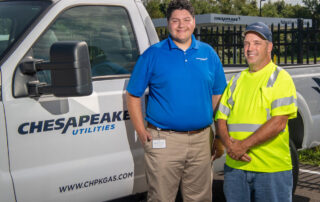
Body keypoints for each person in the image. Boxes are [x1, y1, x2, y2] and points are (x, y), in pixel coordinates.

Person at [126, 0, 227, 201]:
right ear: (168, 23)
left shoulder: (208, 53)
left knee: (200, 198)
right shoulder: (153, 54)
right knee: (161, 197)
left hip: (201, 141)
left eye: (186, 20)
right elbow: (133, 94)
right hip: (164, 141)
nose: (181, 25)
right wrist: (140, 130)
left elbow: (218, 93)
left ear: (194, 22)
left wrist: (218, 134)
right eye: (175, 20)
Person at [215, 22, 298, 202]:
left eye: (256, 43)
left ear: (269, 47)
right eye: (246, 43)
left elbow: (278, 123)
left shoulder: (281, 78)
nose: (250, 48)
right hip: (235, 169)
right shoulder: (236, 81)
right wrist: (230, 147)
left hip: (271, 170)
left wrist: (242, 146)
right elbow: (221, 119)